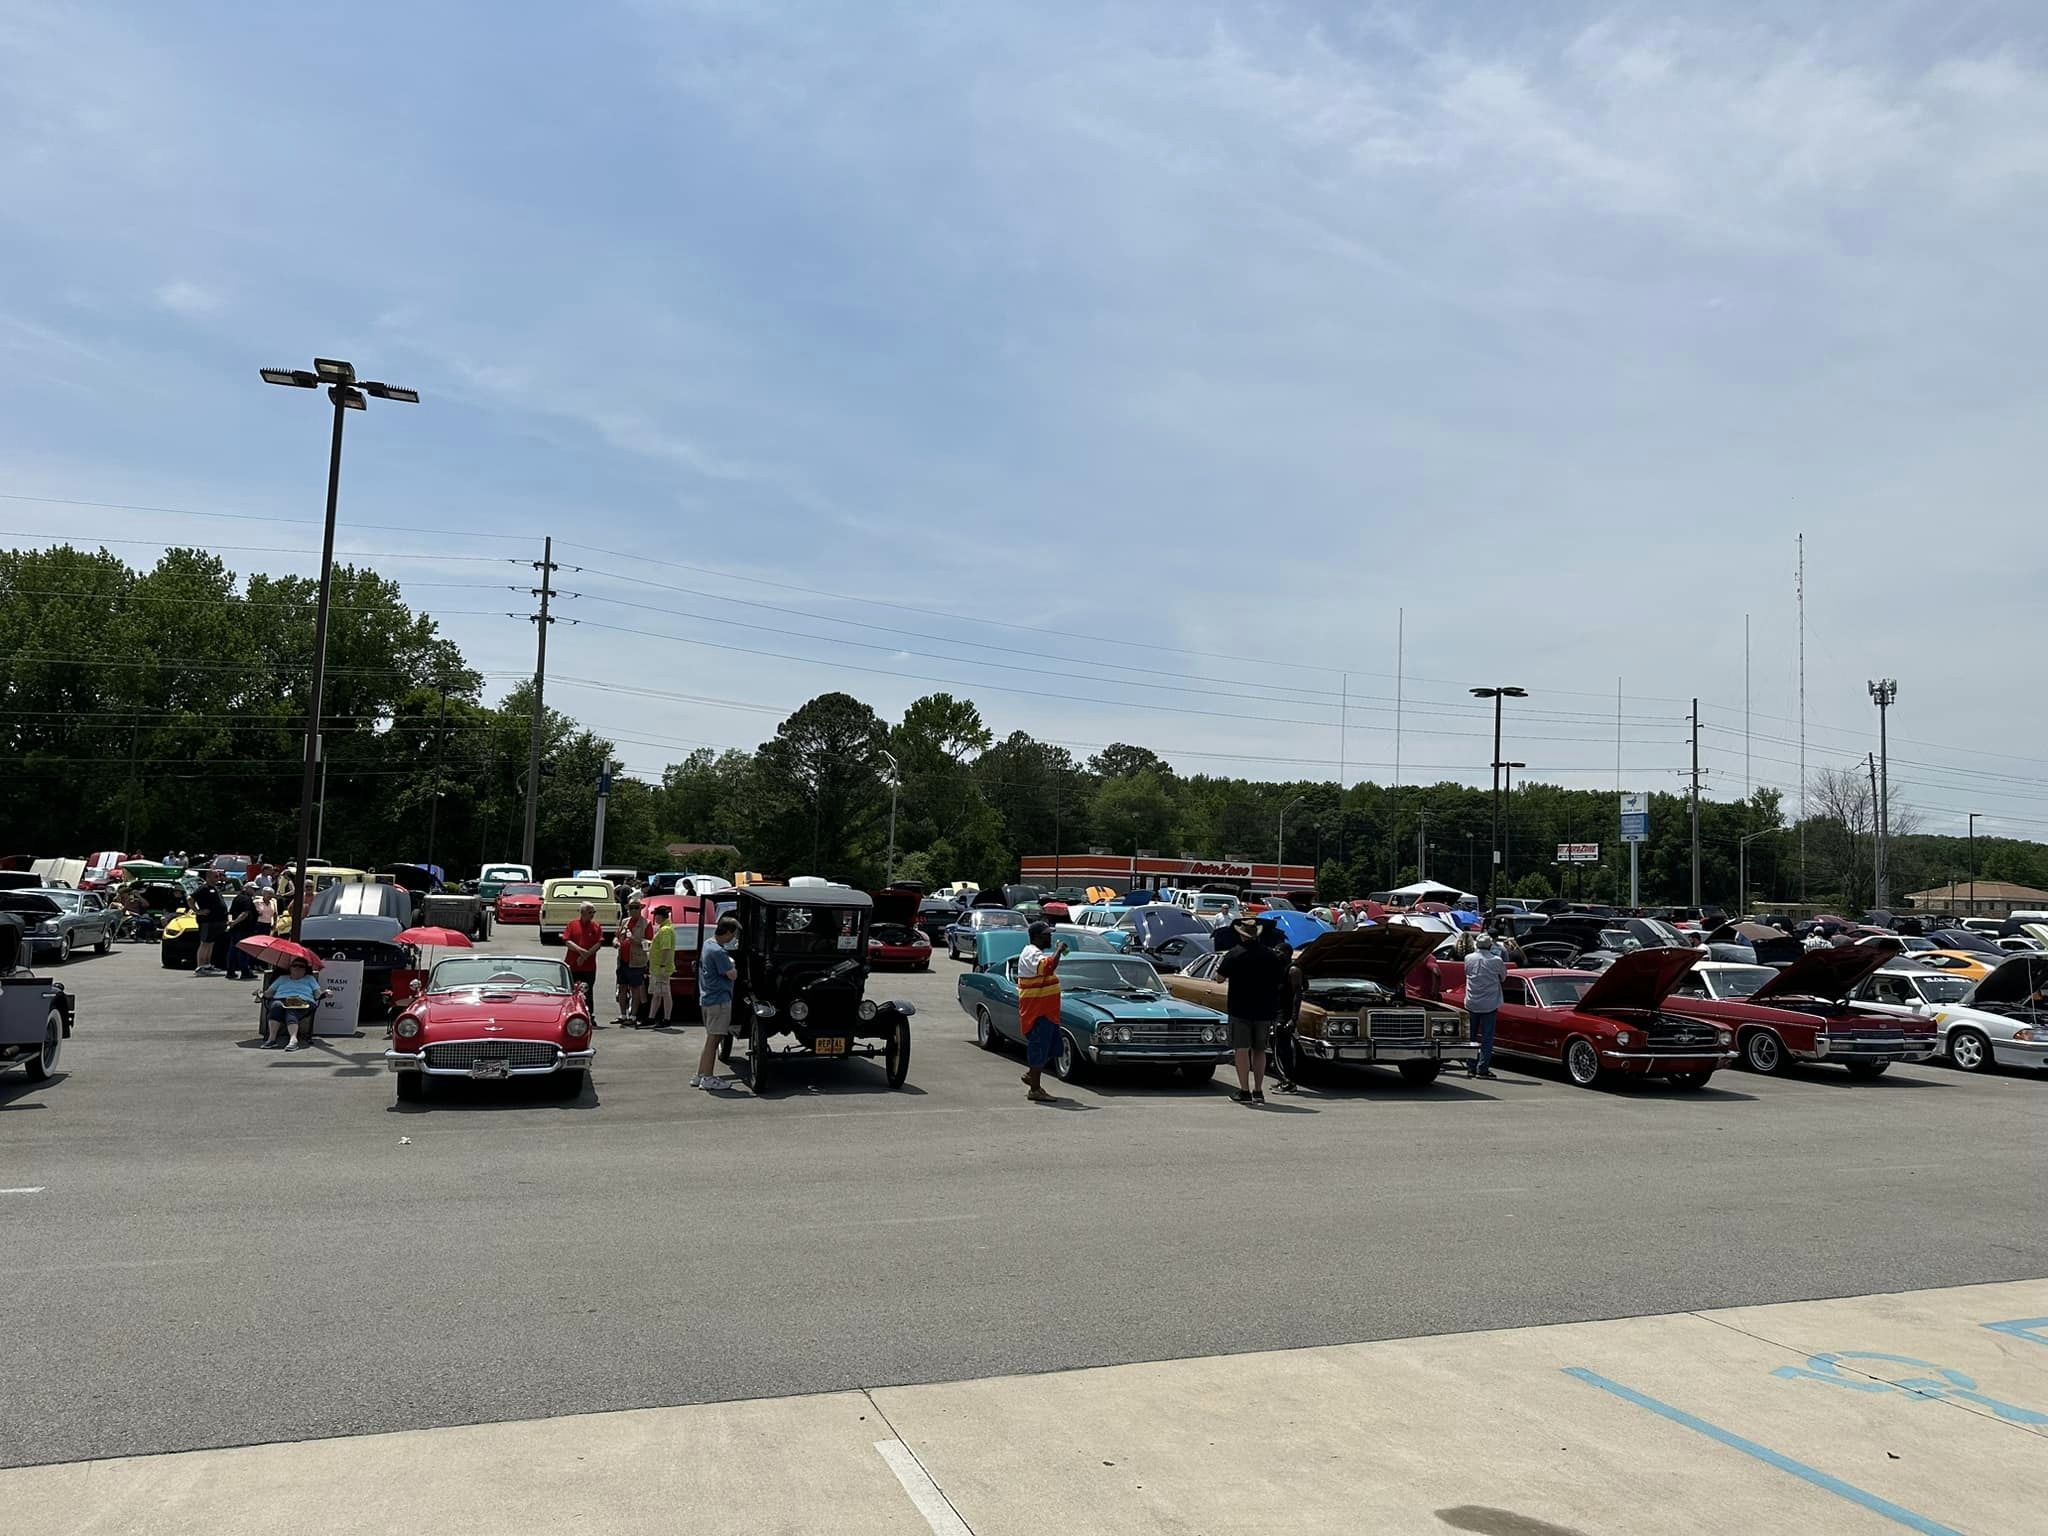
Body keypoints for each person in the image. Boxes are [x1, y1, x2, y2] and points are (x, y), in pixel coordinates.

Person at [1217, 916, 1288, 1103]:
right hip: (1265, 1009)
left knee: (1241, 1050)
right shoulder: (1271, 955)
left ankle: (1244, 1091)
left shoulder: (1234, 954)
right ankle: (1258, 1091)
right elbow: (1279, 981)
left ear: (1242, 936)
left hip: (1240, 1009)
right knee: (1259, 1051)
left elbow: (1219, 978)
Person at [1017, 921, 1065, 1104]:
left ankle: (1032, 1074)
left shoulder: (1038, 953)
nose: (1050, 937)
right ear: (1037, 937)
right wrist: (1059, 950)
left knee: (1053, 1048)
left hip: (1048, 1012)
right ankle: (1035, 1089)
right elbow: (1048, 967)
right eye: (1046, 935)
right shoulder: (1031, 953)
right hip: (1038, 1012)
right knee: (1039, 1048)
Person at [693, 915, 740, 1091]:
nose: (733, 939)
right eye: (733, 934)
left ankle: (700, 1074)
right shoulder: (719, 952)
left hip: (707, 999)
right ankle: (708, 1077)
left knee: (710, 1039)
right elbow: (732, 974)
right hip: (719, 1001)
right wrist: (733, 964)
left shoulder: (708, 944)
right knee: (714, 1039)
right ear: (727, 932)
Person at [258, 956, 329, 1050]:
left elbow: (317, 995)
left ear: (305, 970)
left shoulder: (309, 979)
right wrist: (260, 993)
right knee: (276, 1005)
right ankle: (271, 1039)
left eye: (301, 966)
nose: (297, 968)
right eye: (294, 965)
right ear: (290, 968)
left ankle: (293, 1040)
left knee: (291, 1008)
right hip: (281, 999)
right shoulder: (282, 978)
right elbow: (268, 993)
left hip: (303, 1001)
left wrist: (326, 993)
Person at [1463, 931, 1507, 1080]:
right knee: (1487, 1038)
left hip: (1472, 1001)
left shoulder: (1468, 958)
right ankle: (1482, 1069)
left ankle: (1470, 1068)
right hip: (1489, 1003)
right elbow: (1503, 977)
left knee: (1471, 1037)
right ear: (1490, 945)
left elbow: (1466, 972)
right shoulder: (1496, 960)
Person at [615, 898, 652, 1025]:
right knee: (622, 988)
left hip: (636, 961)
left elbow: (648, 943)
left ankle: (633, 1016)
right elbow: (617, 936)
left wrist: (634, 939)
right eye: (631, 908)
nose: (633, 910)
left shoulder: (646, 923)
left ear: (641, 909)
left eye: (636, 908)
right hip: (623, 961)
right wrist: (616, 942)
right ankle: (622, 1015)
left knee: (635, 989)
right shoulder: (625, 921)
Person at [191, 871, 228, 977]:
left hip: (217, 921)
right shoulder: (203, 888)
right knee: (205, 943)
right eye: (215, 876)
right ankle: (200, 966)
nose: (218, 878)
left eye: (218, 876)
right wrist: (198, 911)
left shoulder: (215, 888)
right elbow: (190, 899)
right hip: (207, 921)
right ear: (208, 877)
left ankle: (207, 965)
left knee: (211, 943)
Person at [564, 902, 604, 1000]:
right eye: (590, 912)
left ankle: (589, 1012)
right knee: (571, 991)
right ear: (582, 912)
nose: (592, 915)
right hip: (572, 965)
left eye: (593, 912)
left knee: (587, 991)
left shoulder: (596, 926)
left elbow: (598, 944)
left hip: (589, 967)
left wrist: (584, 956)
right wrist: (581, 951)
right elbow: (567, 941)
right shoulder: (572, 924)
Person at [223, 881, 260, 981]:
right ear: (246, 888)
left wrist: (231, 923)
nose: (254, 891)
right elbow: (245, 913)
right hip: (244, 929)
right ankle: (245, 972)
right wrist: (234, 922)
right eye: (253, 889)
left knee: (233, 950)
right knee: (243, 950)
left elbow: (230, 912)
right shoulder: (246, 899)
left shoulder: (237, 897)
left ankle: (230, 971)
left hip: (236, 929)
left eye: (255, 889)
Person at [647, 904, 677, 1026]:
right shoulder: (665, 928)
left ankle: (666, 1018)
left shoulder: (665, 930)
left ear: (660, 916)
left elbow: (666, 948)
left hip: (661, 968)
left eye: (656, 916)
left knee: (664, 993)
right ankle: (651, 1017)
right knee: (657, 993)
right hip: (658, 967)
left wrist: (663, 965)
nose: (655, 919)